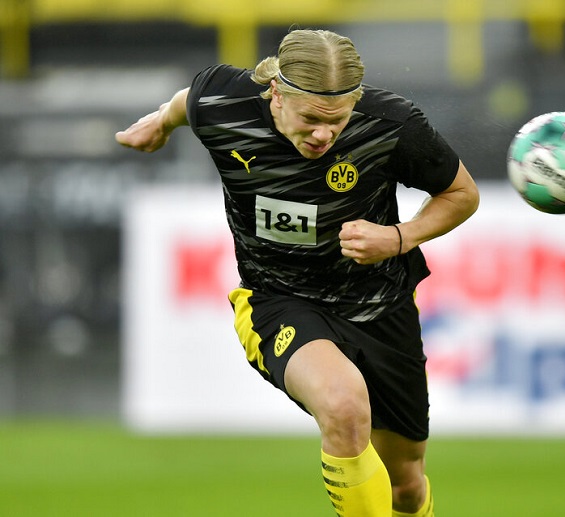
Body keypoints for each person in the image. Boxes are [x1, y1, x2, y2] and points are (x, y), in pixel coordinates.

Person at [116, 28, 479, 517]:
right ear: (276, 93)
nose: (323, 134)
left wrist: (398, 237)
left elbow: (462, 195)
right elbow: (189, 102)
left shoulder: (391, 124)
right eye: (311, 119)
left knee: (406, 487)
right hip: (278, 300)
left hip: (380, 304)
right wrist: (162, 121)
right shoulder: (223, 103)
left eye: (337, 120)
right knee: (343, 405)